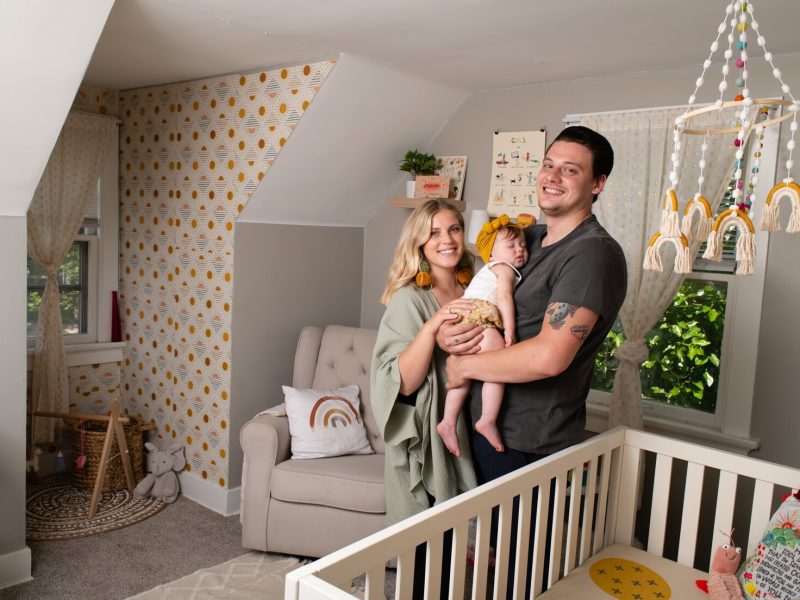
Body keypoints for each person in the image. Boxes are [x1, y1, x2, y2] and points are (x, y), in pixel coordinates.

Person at [441, 125, 628, 485]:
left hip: (527, 441)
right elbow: (483, 296)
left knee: (514, 542)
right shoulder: (528, 238)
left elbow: (549, 356)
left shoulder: (591, 254)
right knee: (479, 540)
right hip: (479, 423)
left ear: (597, 184)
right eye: (548, 164)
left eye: (570, 169)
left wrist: (464, 366)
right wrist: (452, 337)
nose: (552, 176)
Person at [371, 199, 478, 526]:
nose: (447, 240)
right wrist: (432, 328)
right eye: (433, 233)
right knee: (425, 540)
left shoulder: (475, 287)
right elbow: (400, 383)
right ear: (419, 243)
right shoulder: (409, 300)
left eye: (454, 229)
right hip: (427, 432)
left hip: (472, 419)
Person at [436, 214, 529, 457]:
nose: (519, 250)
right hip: (479, 316)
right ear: (492, 254)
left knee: (464, 374)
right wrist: (510, 330)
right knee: (497, 365)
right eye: (511, 246)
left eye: (523, 245)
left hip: (460, 318)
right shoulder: (503, 268)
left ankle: (447, 421)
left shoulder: (485, 271)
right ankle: (487, 419)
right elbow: (504, 298)